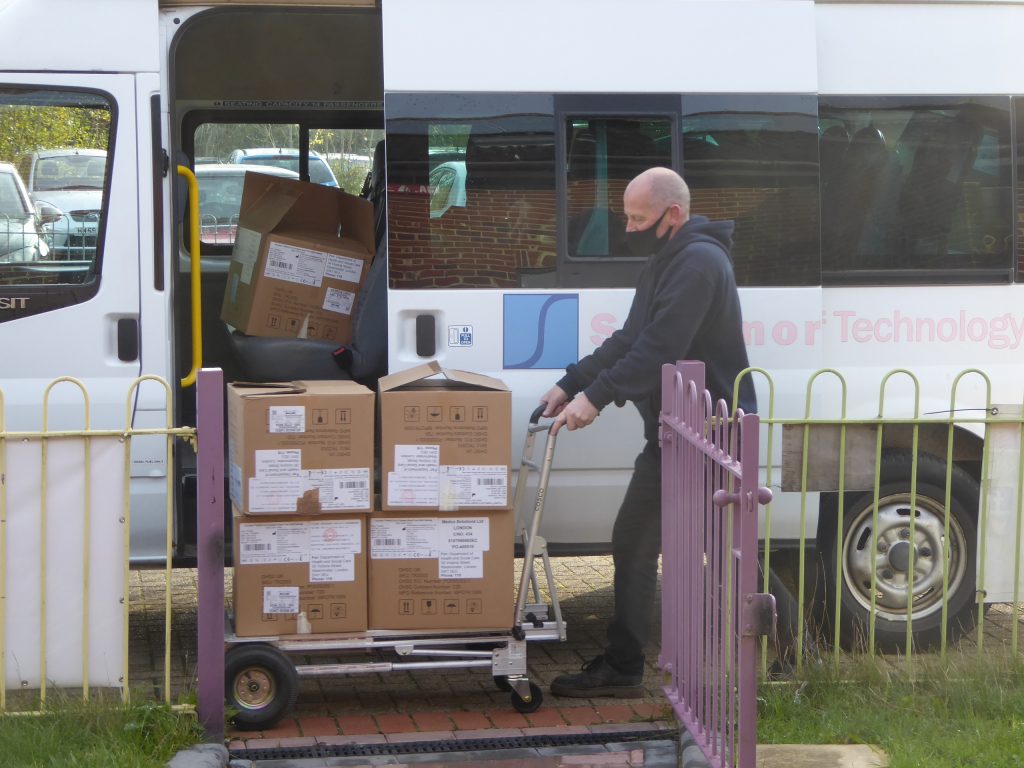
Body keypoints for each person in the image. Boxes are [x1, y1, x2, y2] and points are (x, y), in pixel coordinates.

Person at [542, 166, 756, 698]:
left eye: (639, 218)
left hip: (705, 433)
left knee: (659, 543)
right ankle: (633, 661)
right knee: (686, 544)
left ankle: (628, 666)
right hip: (678, 430)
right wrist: (572, 383)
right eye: (628, 217)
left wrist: (597, 397)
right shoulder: (669, 259)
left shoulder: (699, 263)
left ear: (673, 214)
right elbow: (630, 337)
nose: (630, 228)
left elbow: (659, 347)